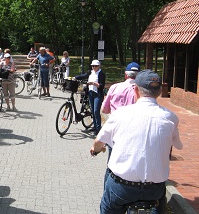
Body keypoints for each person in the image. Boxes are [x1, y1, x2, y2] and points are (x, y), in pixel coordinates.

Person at [90, 70, 183, 214]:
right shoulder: (170, 117)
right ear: (158, 92)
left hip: (122, 187)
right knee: (160, 203)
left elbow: (98, 141)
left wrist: (95, 149)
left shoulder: (120, 114)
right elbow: (177, 144)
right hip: (154, 189)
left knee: (108, 206)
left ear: (136, 90)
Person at [100, 62, 140, 187]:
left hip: (115, 131)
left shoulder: (114, 87)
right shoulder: (141, 92)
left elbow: (104, 110)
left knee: (111, 162)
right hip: (133, 132)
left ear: (125, 75)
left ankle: (108, 192)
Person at [75, 60, 105, 135]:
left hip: (97, 94)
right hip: (90, 93)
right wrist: (75, 77)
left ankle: (98, 128)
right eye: (93, 66)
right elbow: (83, 76)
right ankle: (94, 126)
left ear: (99, 66)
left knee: (96, 111)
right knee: (92, 111)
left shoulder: (101, 74)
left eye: (95, 66)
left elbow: (101, 86)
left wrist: (93, 83)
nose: (94, 67)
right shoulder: (90, 72)